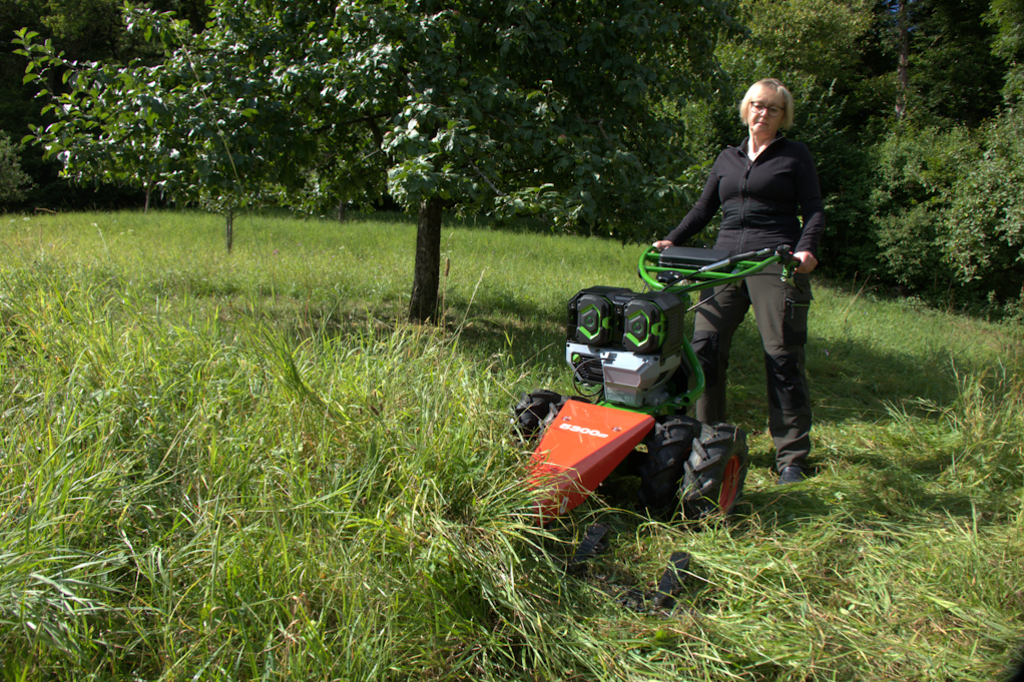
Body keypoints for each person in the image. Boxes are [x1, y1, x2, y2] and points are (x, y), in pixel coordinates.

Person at [652, 78, 824, 485]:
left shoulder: (795, 155)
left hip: (773, 259)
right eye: (758, 105)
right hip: (724, 261)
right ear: (747, 108)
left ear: (783, 116)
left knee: (782, 354)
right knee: (704, 350)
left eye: (773, 108)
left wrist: (807, 249)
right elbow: (704, 208)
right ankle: (706, 437)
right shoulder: (727, 158)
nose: (763, 113)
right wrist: (673, 239)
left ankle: (791, 457)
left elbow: (814, 208)